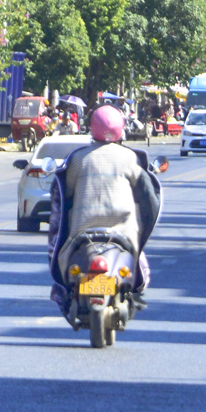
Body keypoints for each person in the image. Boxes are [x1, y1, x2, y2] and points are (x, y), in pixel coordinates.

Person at [47, 107, 163, 314]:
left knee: (62, 268)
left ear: (92, 128)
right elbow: (148, 197)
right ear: (120, 129)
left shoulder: (78, 159)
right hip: (123, 232)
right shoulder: (130, 158)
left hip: (81, 232)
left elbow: (67, 195)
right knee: (140, 270)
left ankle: (69, 300)